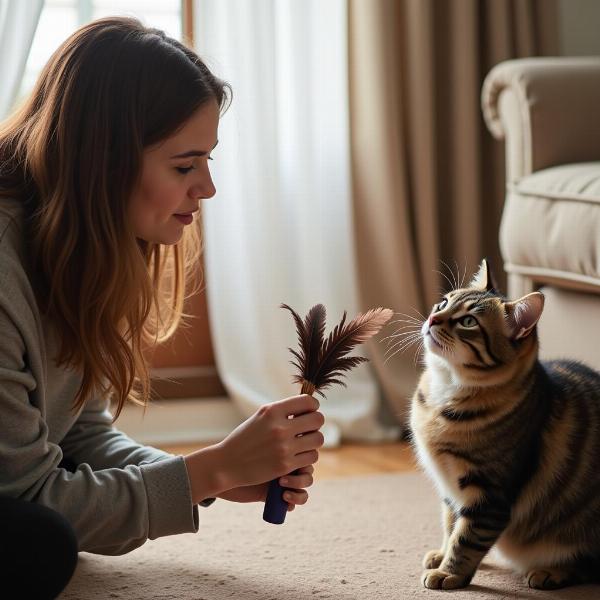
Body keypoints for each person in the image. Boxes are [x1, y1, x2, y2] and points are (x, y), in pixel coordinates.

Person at [0, 16, 324, 599]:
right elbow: (27, 493)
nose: (207, 187)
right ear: (102, 161)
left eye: (207, 161)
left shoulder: (77, 249)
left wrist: (208, 477)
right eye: (183, 165)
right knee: (39, 543)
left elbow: (79, 435)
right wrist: (213, 470)